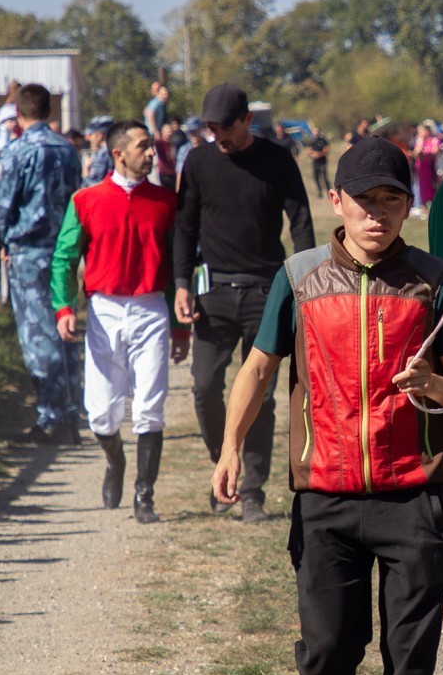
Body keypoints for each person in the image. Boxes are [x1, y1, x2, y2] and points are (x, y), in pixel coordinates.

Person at [209, 137, 443, 675]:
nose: (378, 214)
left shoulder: (435, 279)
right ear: (337, 202)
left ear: (407, 204)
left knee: (411, 653)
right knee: (328, 648)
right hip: (324, 495)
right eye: (365, 201)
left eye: (392, 199)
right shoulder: (297, 277)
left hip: (413, 493)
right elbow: (261, 367)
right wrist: (232, 447)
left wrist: (440, 389)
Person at [173, 83, 315, 522]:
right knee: (203, 386)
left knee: (264, 398)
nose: (218, 137)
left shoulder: (276, 160)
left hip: (266, 291)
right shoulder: (197, 162)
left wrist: (306, 283)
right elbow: (184, 227)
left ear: (247, 120)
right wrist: (180, 282)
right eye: (210, 129)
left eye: (225, 128)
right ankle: (225, 463)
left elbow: (302, 221)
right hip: (212, 292)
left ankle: (252, 489)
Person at [52, 121, 190, 522]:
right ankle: (115, 461)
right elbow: (65, 257)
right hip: (104, 309)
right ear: (118, 154)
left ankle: (144, 497)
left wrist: (181, 325)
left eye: (152, 146)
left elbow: (178, 264)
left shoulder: (166, 203)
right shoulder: (86, 200)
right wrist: (64, 308)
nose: (152, 153)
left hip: (150, 308)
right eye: (144, 147)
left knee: (150, 406)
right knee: (101, 413)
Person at [0, 83, 82, 443]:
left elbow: (2, 206)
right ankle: (71, 410)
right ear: (48, 110)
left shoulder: (16, 151)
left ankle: (52, 415)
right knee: (64, 329)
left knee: (37, 336)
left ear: (18, 112)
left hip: (28, 250)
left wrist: (3, 240)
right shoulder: (68, 149)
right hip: (64, 248)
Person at [82, 116, 114, 185]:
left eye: (91, 134)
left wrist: (85, 172)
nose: (88, 138)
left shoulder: (103, 153)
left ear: (99, 136)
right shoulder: (119, 149)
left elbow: (96, 184)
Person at [306, 124, 330, 195]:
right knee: (316, 178)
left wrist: (319, 154)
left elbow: (326, 150)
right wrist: (313, 154)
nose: (315, 133)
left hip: (322, 162)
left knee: (324, 178)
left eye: (316, 131)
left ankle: (328, 191)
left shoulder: (323, 140)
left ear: (319, 132)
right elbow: (309, 151)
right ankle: (320, 192)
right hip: (315, 162)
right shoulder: (312, 141)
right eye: (314, 132)